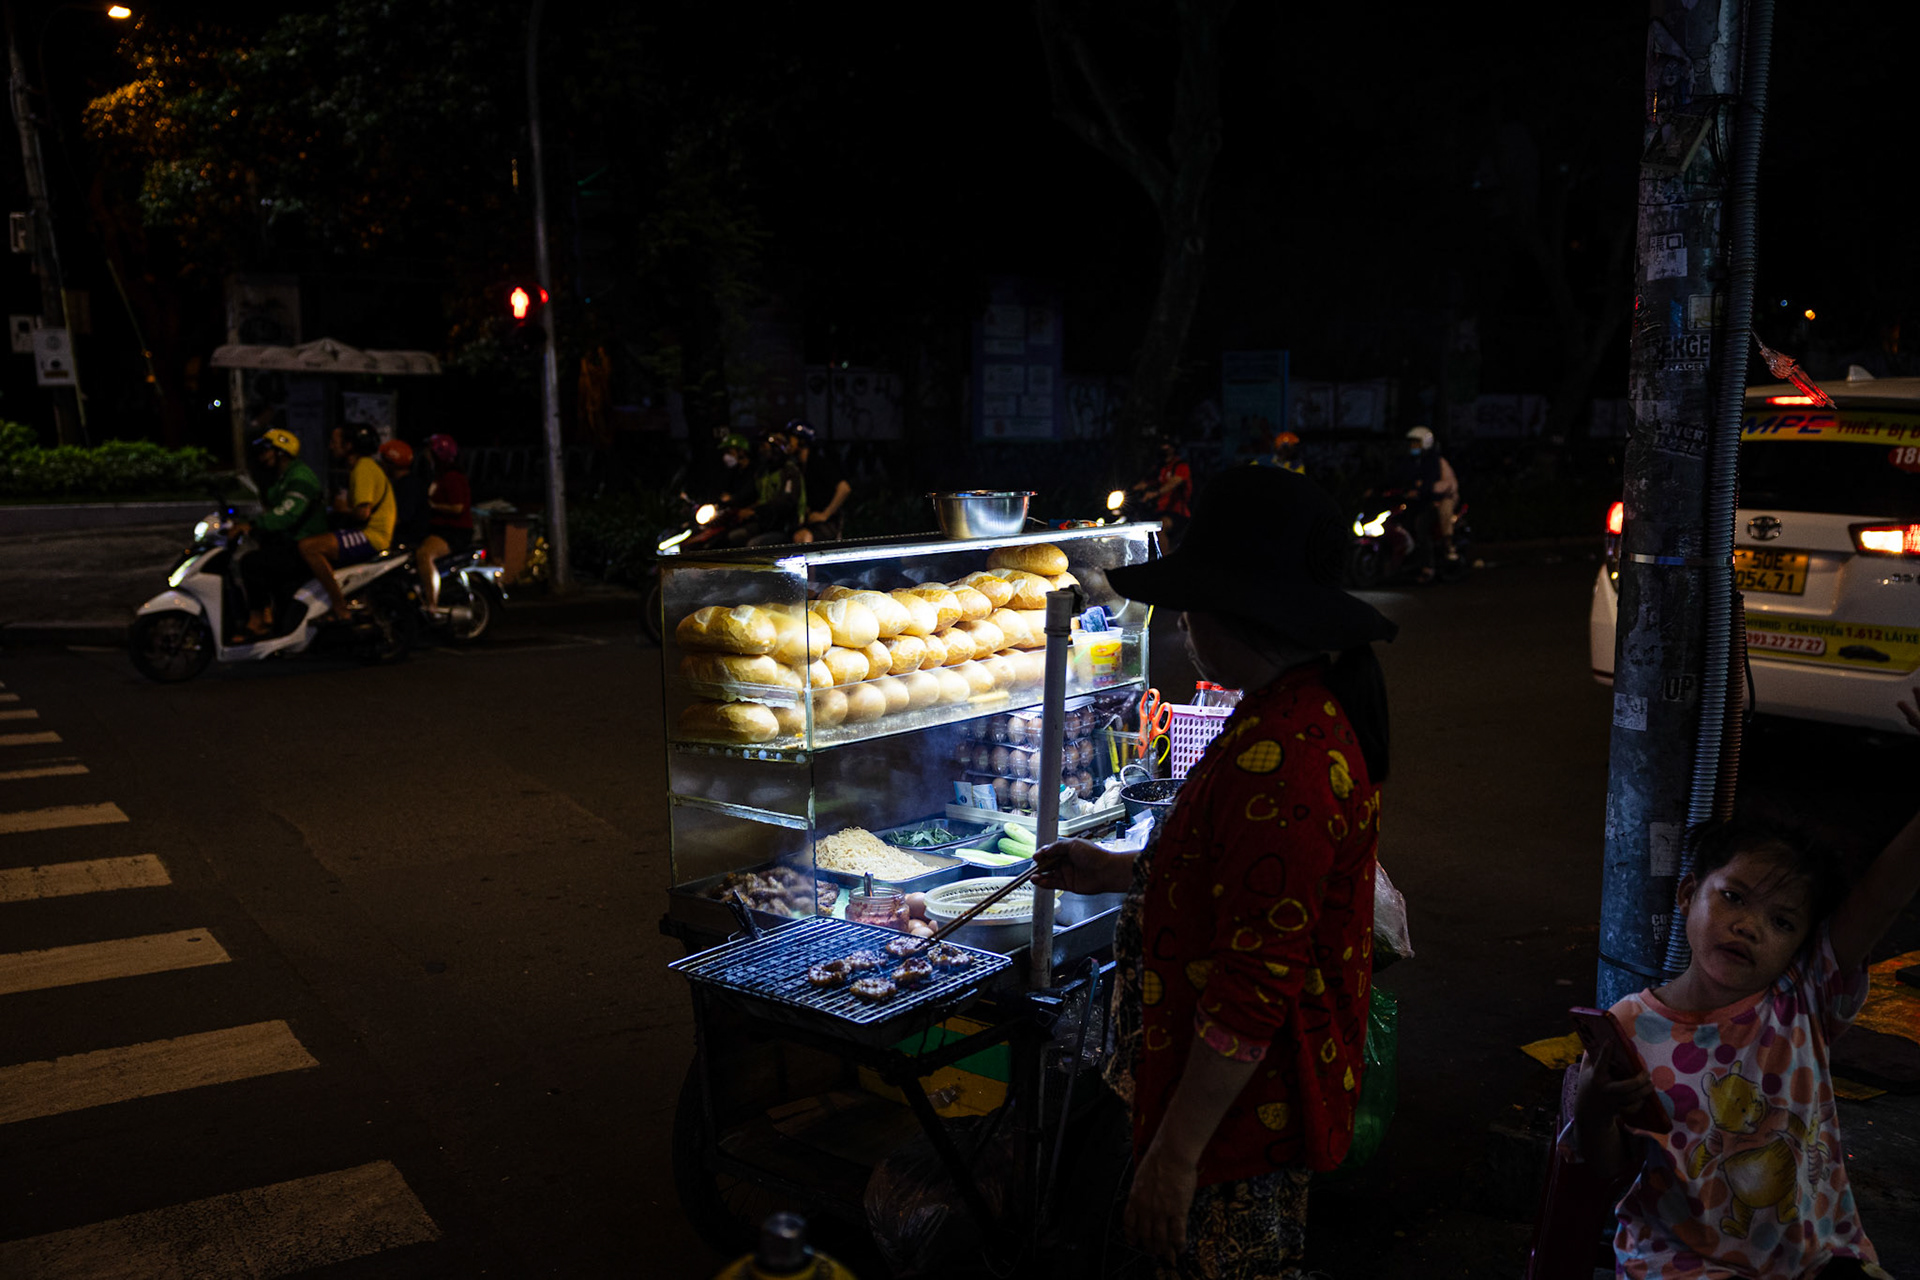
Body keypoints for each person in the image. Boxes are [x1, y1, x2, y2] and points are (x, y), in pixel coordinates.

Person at [1035, 466, 1398, 1277]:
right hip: (1225, 1103)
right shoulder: (1276, 714)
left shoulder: (1288, 759)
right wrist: (1121, 871)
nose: (1182, 622)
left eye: (1191, 602)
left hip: (1242, 1118)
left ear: (1238, 615)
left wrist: (1174, 1156)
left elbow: (1255, 983)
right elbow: (1236, 881)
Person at [1573, 693, 1920, 1280]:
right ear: (1688, 895)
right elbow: (1606, 1163)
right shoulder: (1628, 1027)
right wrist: (1593, 1107)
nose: (1749, 927)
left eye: (1782, 922)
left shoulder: (1803, 997)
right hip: (1684, 1266)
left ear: (1802, 943)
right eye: (1733, 897)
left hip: (1819, 1260)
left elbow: (1883, 896)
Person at [231, 426, 325, 640]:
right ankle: (269, 614)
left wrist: (253, 524)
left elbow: (285, 515)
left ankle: (258, 621)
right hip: (290, 541)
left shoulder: (300, 478)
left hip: (305, 544)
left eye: (266, 451)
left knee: (251, 563)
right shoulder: (283, 478)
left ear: (281, 452)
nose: (262, 457)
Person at [299, 425, 395, 622]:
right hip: (369, 533)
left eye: (335, 442)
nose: (330, 446)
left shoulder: (363, 468)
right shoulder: (364, 467)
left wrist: (340, 508)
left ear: (349, 445)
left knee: (308, 547)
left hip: (372, 536)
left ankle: (338, 606)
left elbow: (362, 513)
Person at [413, 434, 473, 614]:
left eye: (429, 452)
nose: (425, 456)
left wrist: (433, 506)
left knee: (424, 554)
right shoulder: (439, 476)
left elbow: (458, 507)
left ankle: (432, 604)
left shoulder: (452, 477)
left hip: (454, 530)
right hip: (441, 528)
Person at [1397, 426, 1460, 582]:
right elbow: (1399, 477)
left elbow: (1437, 484)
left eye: (1416, 443)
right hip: (1422, 501)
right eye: (1411, 443)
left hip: (1438, 501)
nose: (1413, 446)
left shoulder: (1435, 461)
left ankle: (1429, 566)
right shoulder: (1412, 461)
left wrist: (1423, 489)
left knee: (1421, 525)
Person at [728, 430, 805, 547]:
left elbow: (785, 502)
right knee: (734, 536)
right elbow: (750, 494)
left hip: (786, 527)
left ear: (776, 449)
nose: (761, 450)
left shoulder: (789, 471)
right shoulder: (763, 472)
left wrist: (755, 511)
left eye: (764, 446)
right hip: (767, 523)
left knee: (754, 544)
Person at [786, 420, 851, 544]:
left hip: (828, 523)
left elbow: (844, 488)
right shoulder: (799, 467)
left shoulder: (818, 463)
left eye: (791, 438)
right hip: (810, 523)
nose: (788, 443)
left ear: (802, 440)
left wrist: (825, 514)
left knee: (802, 538)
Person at [1131, 437, 1194, 544]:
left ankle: (1164, 557)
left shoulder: (1180, 466)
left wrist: (1155, 493)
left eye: (1166, 444)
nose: (1163, 448)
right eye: (1162, 444)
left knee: (1159, 527)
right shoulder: (1159, 468)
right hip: (1159, 511)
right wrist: (1128, 491)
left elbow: (1173, 483)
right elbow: (1147, 482)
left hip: (1177, 512)